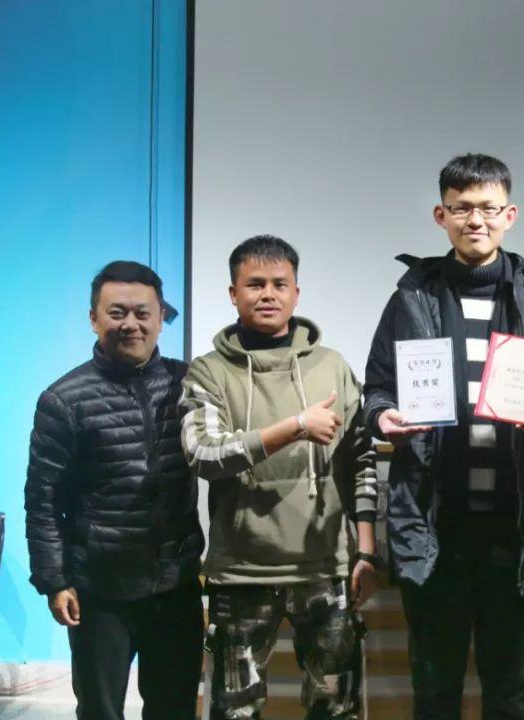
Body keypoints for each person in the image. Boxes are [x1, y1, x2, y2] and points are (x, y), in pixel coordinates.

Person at [363, 153, 524, 719]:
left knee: (508, 689)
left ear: (510, 214)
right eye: (461, 209)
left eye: (488, 208)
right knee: (434, 688)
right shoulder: (410, 297)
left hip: (516, 525)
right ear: (441, 215)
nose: (475, 220)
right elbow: (378, 388)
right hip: (435, 522)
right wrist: (383, 417)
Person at [180, 235, 379, 719]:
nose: (267, 294)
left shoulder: (331, 366)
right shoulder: (208, 372)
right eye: (254, 284)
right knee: (235, 712)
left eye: (279, 284)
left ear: (296, 292)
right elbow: (203, 454)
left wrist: (366, 552)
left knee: (337, 709)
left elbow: (361, 460)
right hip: (241, 572)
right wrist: (295, 427)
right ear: (233, 293)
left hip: (326, 570)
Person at [24, 260, 203, 719]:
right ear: (94, 318)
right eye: (117, 312)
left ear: (161, 317)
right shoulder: (64, 399)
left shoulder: (189, 385)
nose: (131, 324)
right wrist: (54, 581)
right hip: (99, 590)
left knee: (175, 709)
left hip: (175, 586)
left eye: (143, 313)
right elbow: (43, 501)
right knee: (100, 711)